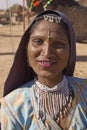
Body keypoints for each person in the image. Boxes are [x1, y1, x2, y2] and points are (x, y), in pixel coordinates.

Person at [0, 9, 87, 130]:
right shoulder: (12, 107)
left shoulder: (84, 93)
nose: (47, 52)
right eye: (38, 41)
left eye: (58, 44)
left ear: (71, 51)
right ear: (26, 50)